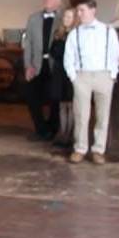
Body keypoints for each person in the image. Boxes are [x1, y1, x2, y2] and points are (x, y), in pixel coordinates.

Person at [63, 0, 119, 165]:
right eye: (78, 11)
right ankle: (80, 148)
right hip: (82, 76)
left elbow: (115, 54)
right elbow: (69, 57)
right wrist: (73, 77)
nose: (79, 14)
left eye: (82, 10)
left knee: (103, 115)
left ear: (93, 10)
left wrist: (112, 75)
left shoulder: (108, 31)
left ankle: (98, 150)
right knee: (81, 114)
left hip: (104, 75)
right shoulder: (75, 33)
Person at [23, 0, 63, 141]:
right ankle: (40, 129)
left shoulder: (62, 19)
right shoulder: (33, 18)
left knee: (55, 99)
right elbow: (29, 44)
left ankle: (53, 129)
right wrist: (28, 65)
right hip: (36, 64)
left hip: (55, 65)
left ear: (58, 2)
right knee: (32, 97)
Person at [48, 9, 76, 148]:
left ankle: (69, 134)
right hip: (59, 71)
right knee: (61, 104)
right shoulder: (58, 34)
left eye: (69, 16)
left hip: (71, 72)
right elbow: (53, 52)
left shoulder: (76, 34)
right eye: (65, 16)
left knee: (70, 104)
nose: (66, 18)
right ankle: (62, 131)